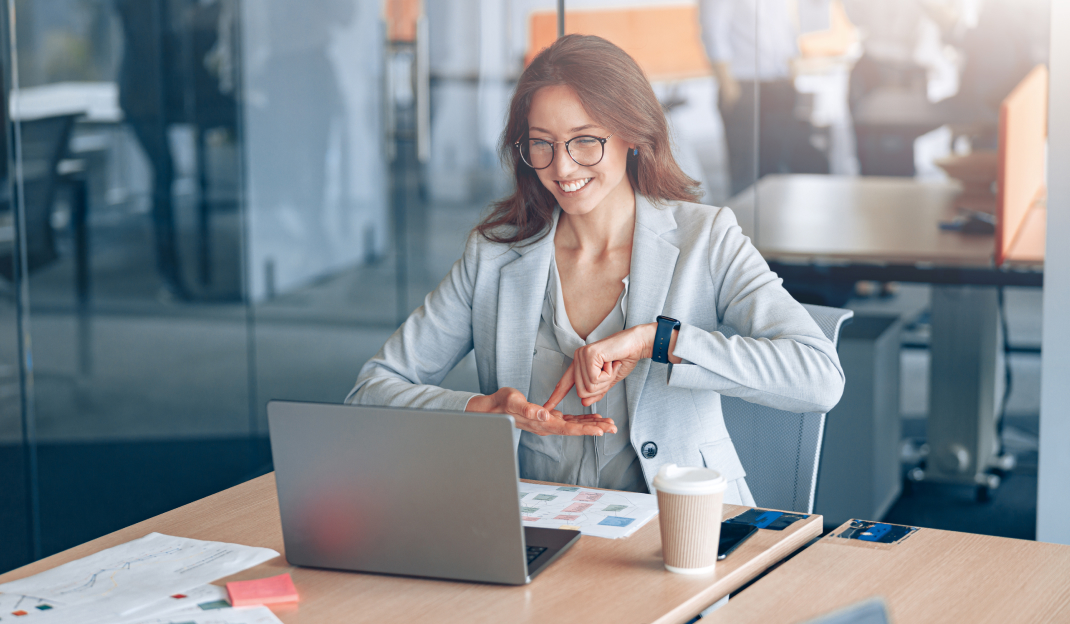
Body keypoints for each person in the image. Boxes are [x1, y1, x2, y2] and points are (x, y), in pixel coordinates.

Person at [347, 35, 844, 506]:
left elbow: (820, 379)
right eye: (541, 143)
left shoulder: (706, 239)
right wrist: (485, 410)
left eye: (585, 142)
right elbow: (372, 390)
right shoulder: (494, 256)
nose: (562, 168)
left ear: (632, 134)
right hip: (539, 531)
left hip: (677, 533)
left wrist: (662, 341)